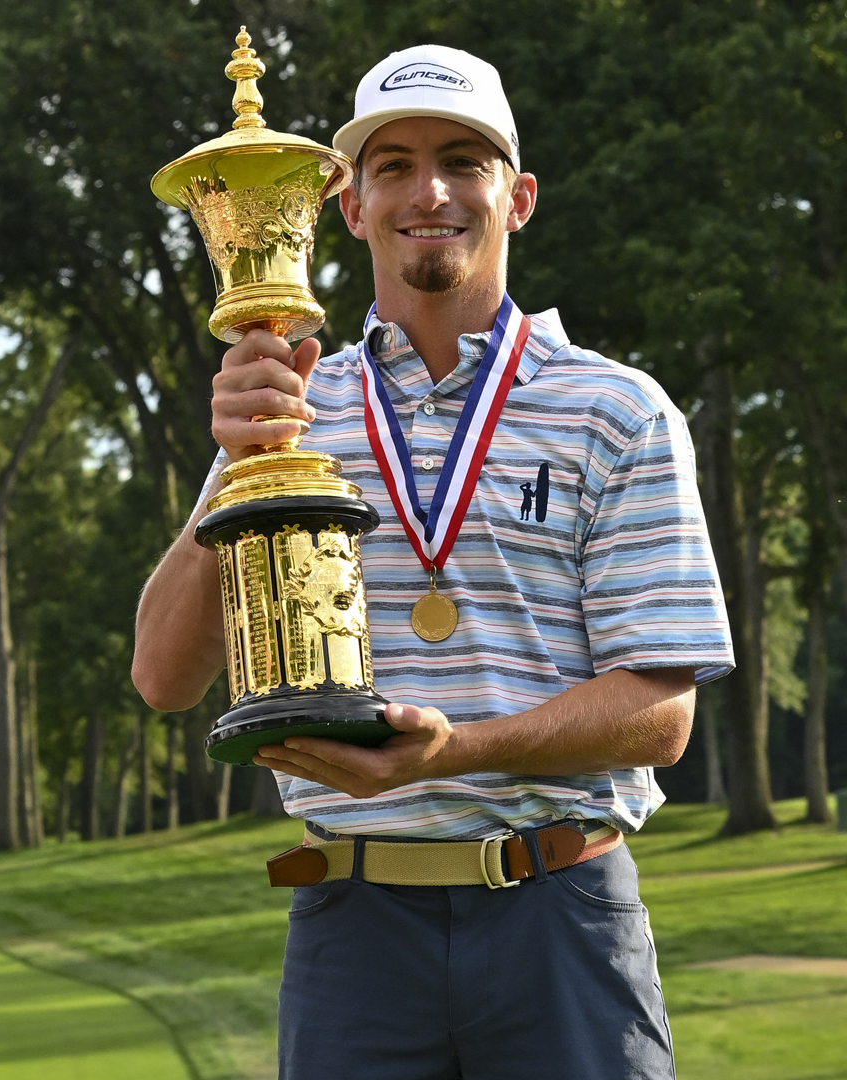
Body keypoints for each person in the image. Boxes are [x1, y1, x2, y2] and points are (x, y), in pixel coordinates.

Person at [132, 43, 734, 1080]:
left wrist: (454, 750)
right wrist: (233, 468)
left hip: (562, 912)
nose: (432, 190)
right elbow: (164, 676)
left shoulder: (616, 410)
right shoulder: (287, 409)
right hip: (351, 925)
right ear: (351, 209)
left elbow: (660, 712)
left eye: (464, 159)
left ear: (520, 195)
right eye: (393, 164)